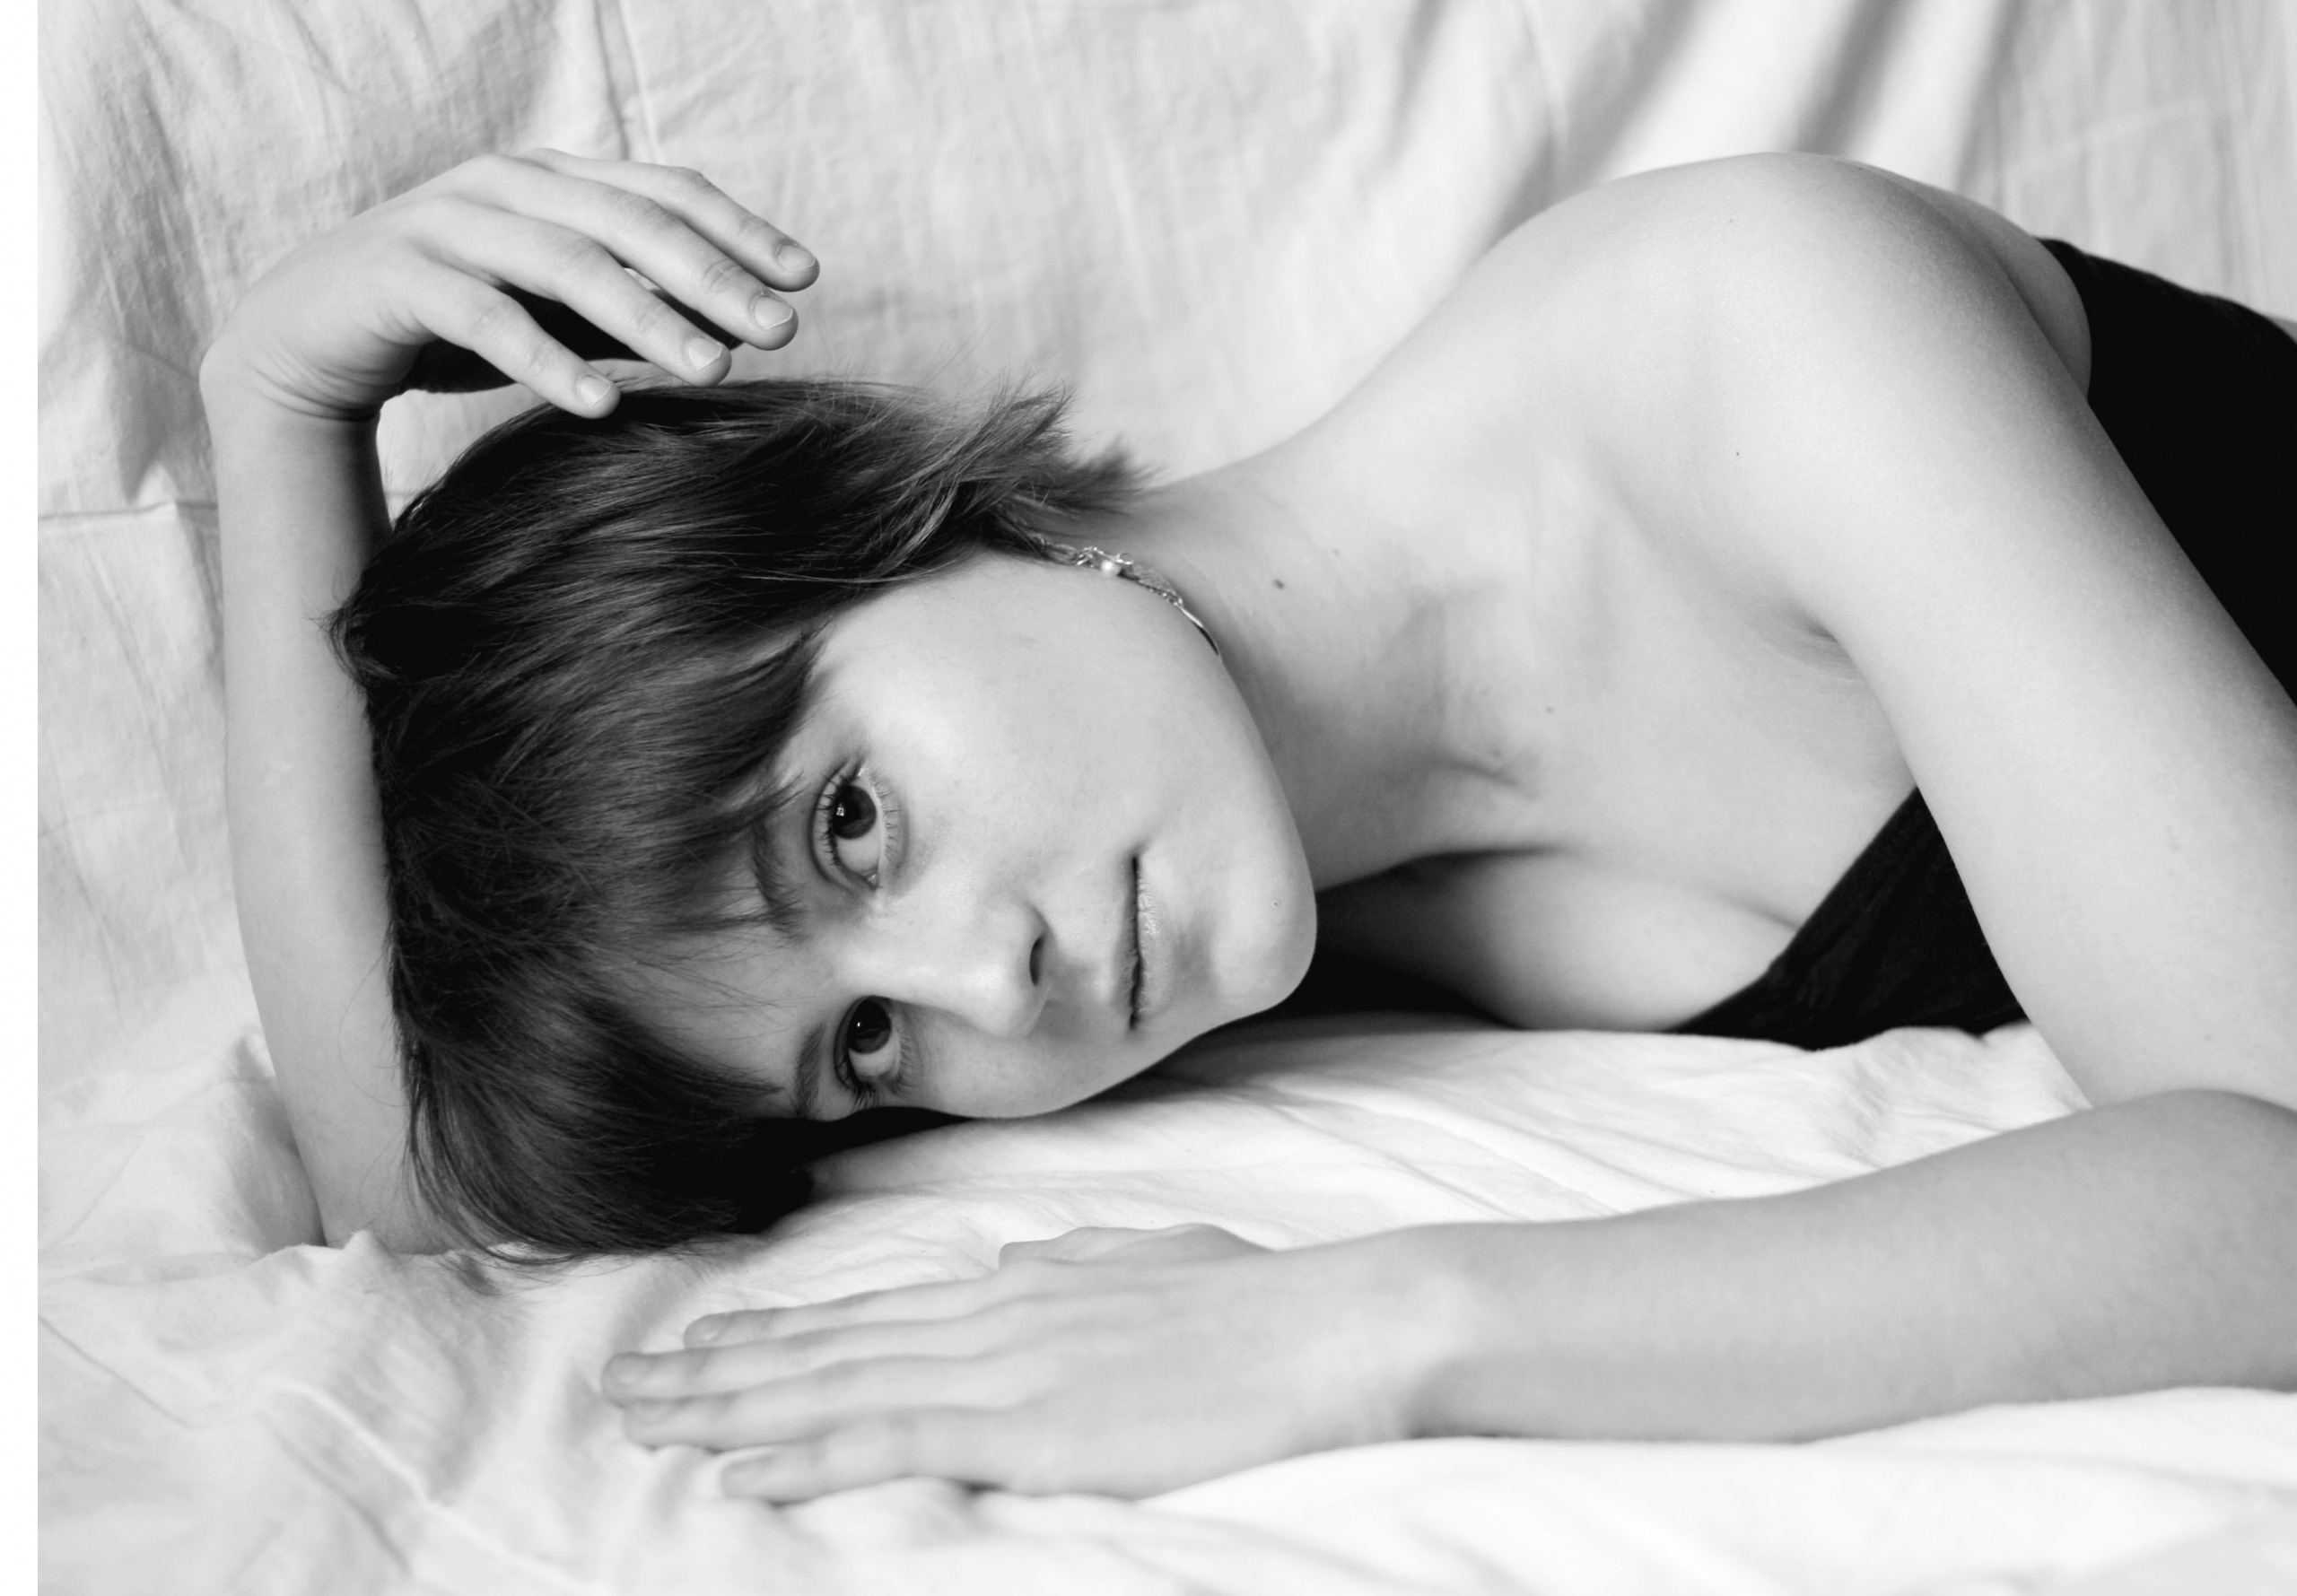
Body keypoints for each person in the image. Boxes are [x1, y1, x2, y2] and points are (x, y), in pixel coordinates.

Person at [202, 148, 2297, 1503]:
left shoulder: (1747, 325)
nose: (987, 986)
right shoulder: (1199, 891)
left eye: (845, 824)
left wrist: (1364, 1325)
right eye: (865, 1046)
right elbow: (421, 1182)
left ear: (883, 517)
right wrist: (275, 406)